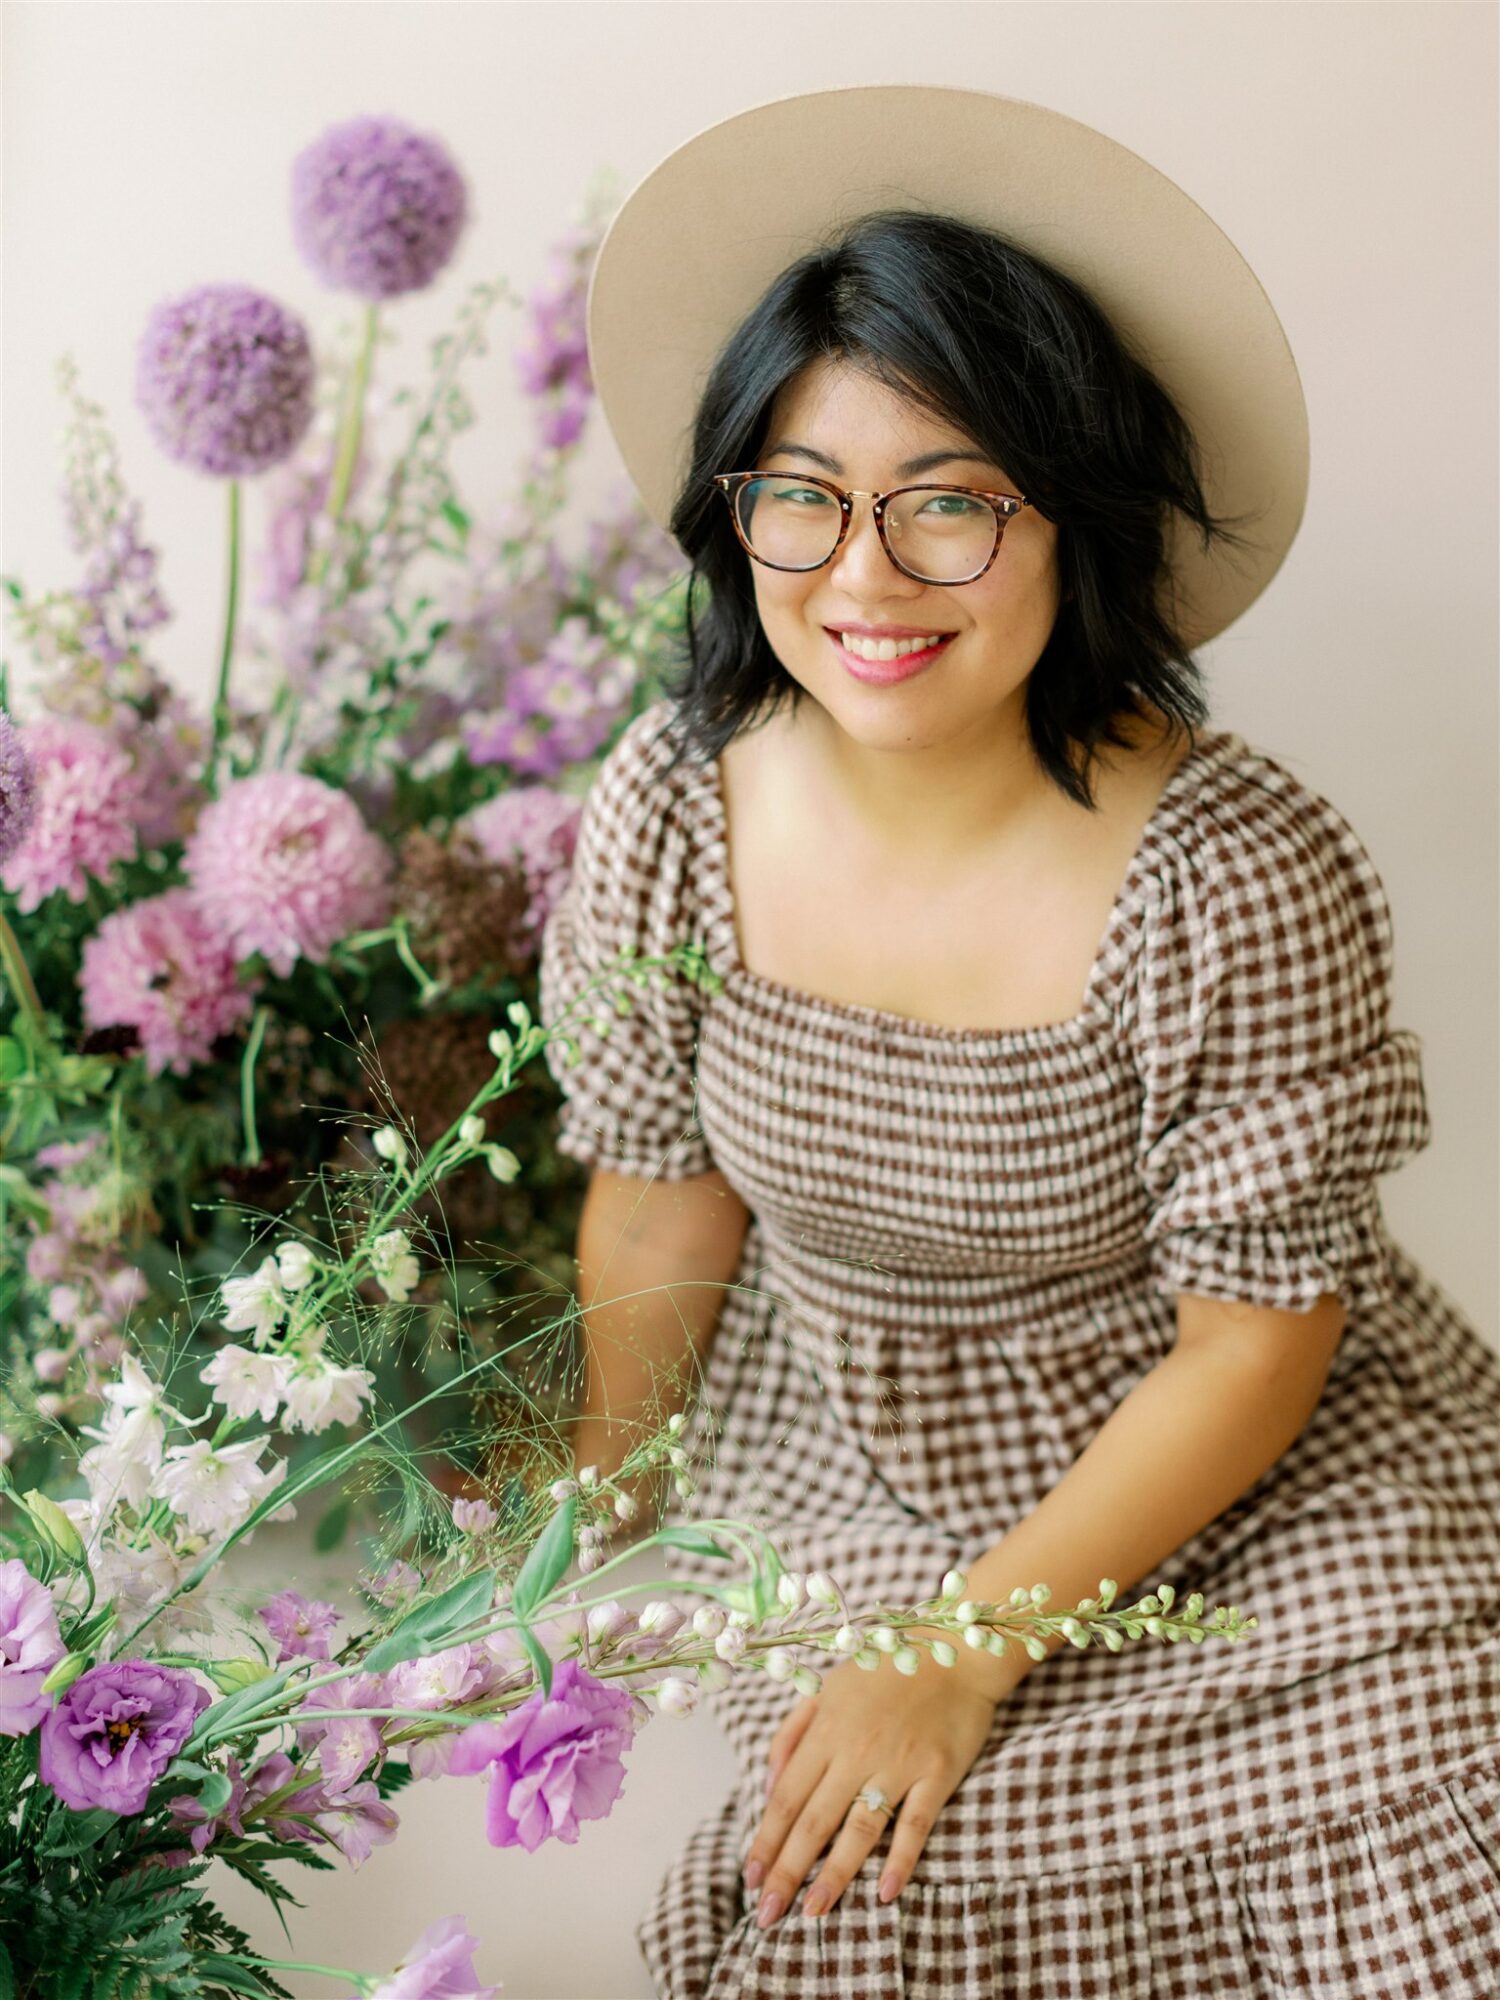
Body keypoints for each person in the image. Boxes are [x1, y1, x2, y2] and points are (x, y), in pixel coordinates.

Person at [538, 87, 1500, 1999]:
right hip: (856, 1458)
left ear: (1075, 517)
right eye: (802, 495)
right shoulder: (671, 803)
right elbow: (657, 1209)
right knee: (868, 1887)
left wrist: (965, 1653)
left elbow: (1254, 1345)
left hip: (1245, 1461)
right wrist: (585, 1529)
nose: (863, 578)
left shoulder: (1241, 874)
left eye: (951, 501)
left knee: (1434, 1820)